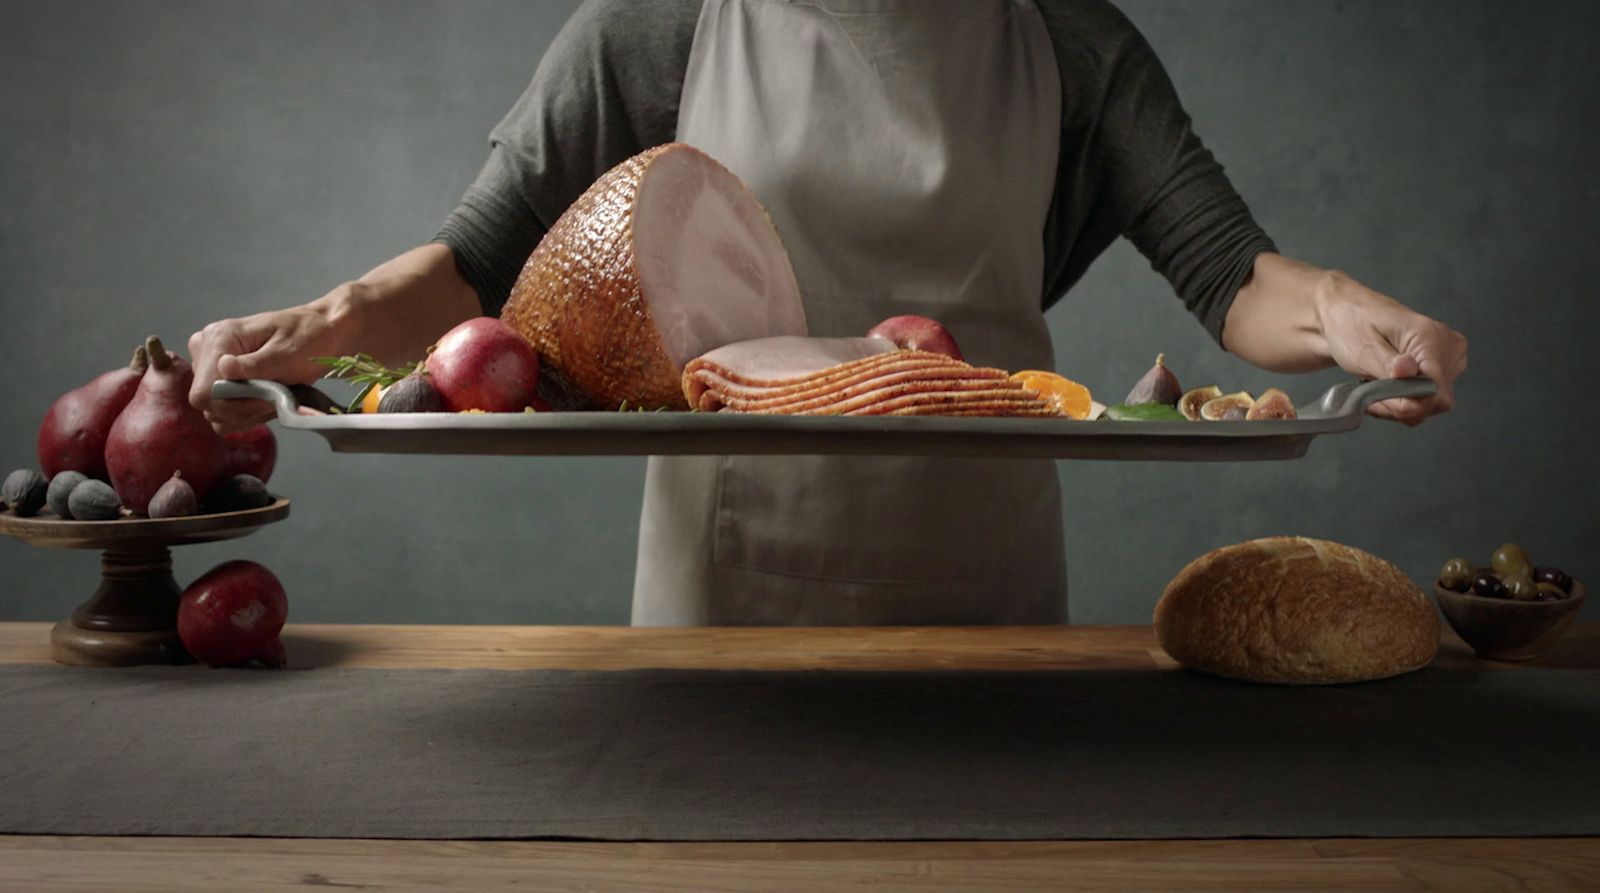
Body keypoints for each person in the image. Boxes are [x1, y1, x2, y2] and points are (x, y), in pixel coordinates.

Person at [189, 0, 1467, 626]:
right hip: (724, 575)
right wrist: (332, 319)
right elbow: (472, 269)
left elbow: (1233, 276)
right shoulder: (662, 23)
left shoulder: (1068, 39)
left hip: (987, 577)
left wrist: (1351, 313)